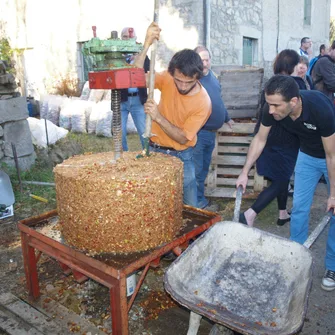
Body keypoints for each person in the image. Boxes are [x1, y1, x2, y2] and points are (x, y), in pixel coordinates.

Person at [236, 75, 335, 291]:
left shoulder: (319, 108)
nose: (270, 111)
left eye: (275, 105)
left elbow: (331, 155)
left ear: (294, 101)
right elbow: (260, 139)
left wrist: (333, 194)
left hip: (332, 154)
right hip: (307, 156)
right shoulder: (272, 109)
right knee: (299, 208)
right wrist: (244, 171)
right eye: (268, 104)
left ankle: (332, 266)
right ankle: (295, 258)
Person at [134, 23, 211, 207]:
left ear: (198, 78)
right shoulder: (168, 78)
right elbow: (136, 77)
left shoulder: (203, 102)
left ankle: (192, 237)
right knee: (154, 204)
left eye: (188, 82)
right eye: (178, 80)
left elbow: (183, 138)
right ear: (172, 74)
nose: (182, 86)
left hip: (182, 156)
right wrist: (146, 44)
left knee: (190, 207)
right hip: (153, 150)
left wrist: (157, 117)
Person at [239, 50, 300, 227]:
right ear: (292, 66)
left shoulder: (271, 83)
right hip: (283, 139)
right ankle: (250, 213)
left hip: (269, 136)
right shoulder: (291, 87)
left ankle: (282, 213)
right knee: (282, 178)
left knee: (280, 177)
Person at [193, 45, 233, 209]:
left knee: (203, 170)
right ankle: (195, 203)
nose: (205, 63)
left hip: (211, 133)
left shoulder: (213, 78)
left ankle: (198, 200)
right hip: (198, 133)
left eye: (207, 59)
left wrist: (227, 118)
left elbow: (218, 101)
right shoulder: (193, 80)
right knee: (196, 170)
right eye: (201, 60)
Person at [120, 27, 149, 151]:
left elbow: (148, 71)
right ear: (121, 39)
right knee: (119, 133)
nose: (128, 39)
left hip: (138, 100)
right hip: (120, 100)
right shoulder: (115, 57)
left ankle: (147, 155)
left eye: (131, 36)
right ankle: (122, 158)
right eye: (125, 36)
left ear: (135, 38)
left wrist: (138, 58)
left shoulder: (142, 55)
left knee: (144, 131)